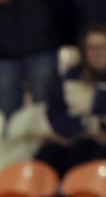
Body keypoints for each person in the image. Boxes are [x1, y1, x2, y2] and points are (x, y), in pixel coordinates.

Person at [37, 24, 106, 175]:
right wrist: (75, 133)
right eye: (91, 47)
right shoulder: (71, 77)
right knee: (48, 154)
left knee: (83, 152)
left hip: (100, 139)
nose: (97, 53)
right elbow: (55, 110)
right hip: (72, 135)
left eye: (102, 47)